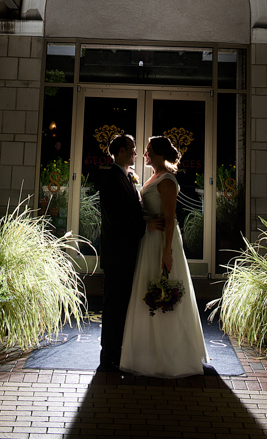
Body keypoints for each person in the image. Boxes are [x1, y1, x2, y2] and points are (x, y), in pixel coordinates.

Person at [119, 135, 208, 378]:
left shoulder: (167, 180)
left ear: (158, 153)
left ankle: (172, 354)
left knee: (163, 288)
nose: (144, 154)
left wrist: (167, 251)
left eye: (147, 150)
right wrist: (146, 222)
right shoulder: (153, 177)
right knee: (148, 290)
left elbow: (170, 218)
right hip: (149, 240)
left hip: (162, 243)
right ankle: (149, 350)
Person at [99, 133, 159, 370]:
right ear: (122, 151)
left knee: (122, 305)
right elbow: (116, 219)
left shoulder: (126, 177)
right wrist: (145, 225)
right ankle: (109, 356)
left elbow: (130, 212)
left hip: (126, 254)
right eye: (133, 148)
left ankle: (118, 352)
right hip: (117, 256)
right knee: (114, 306)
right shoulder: (111, 178)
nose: (137, 153)